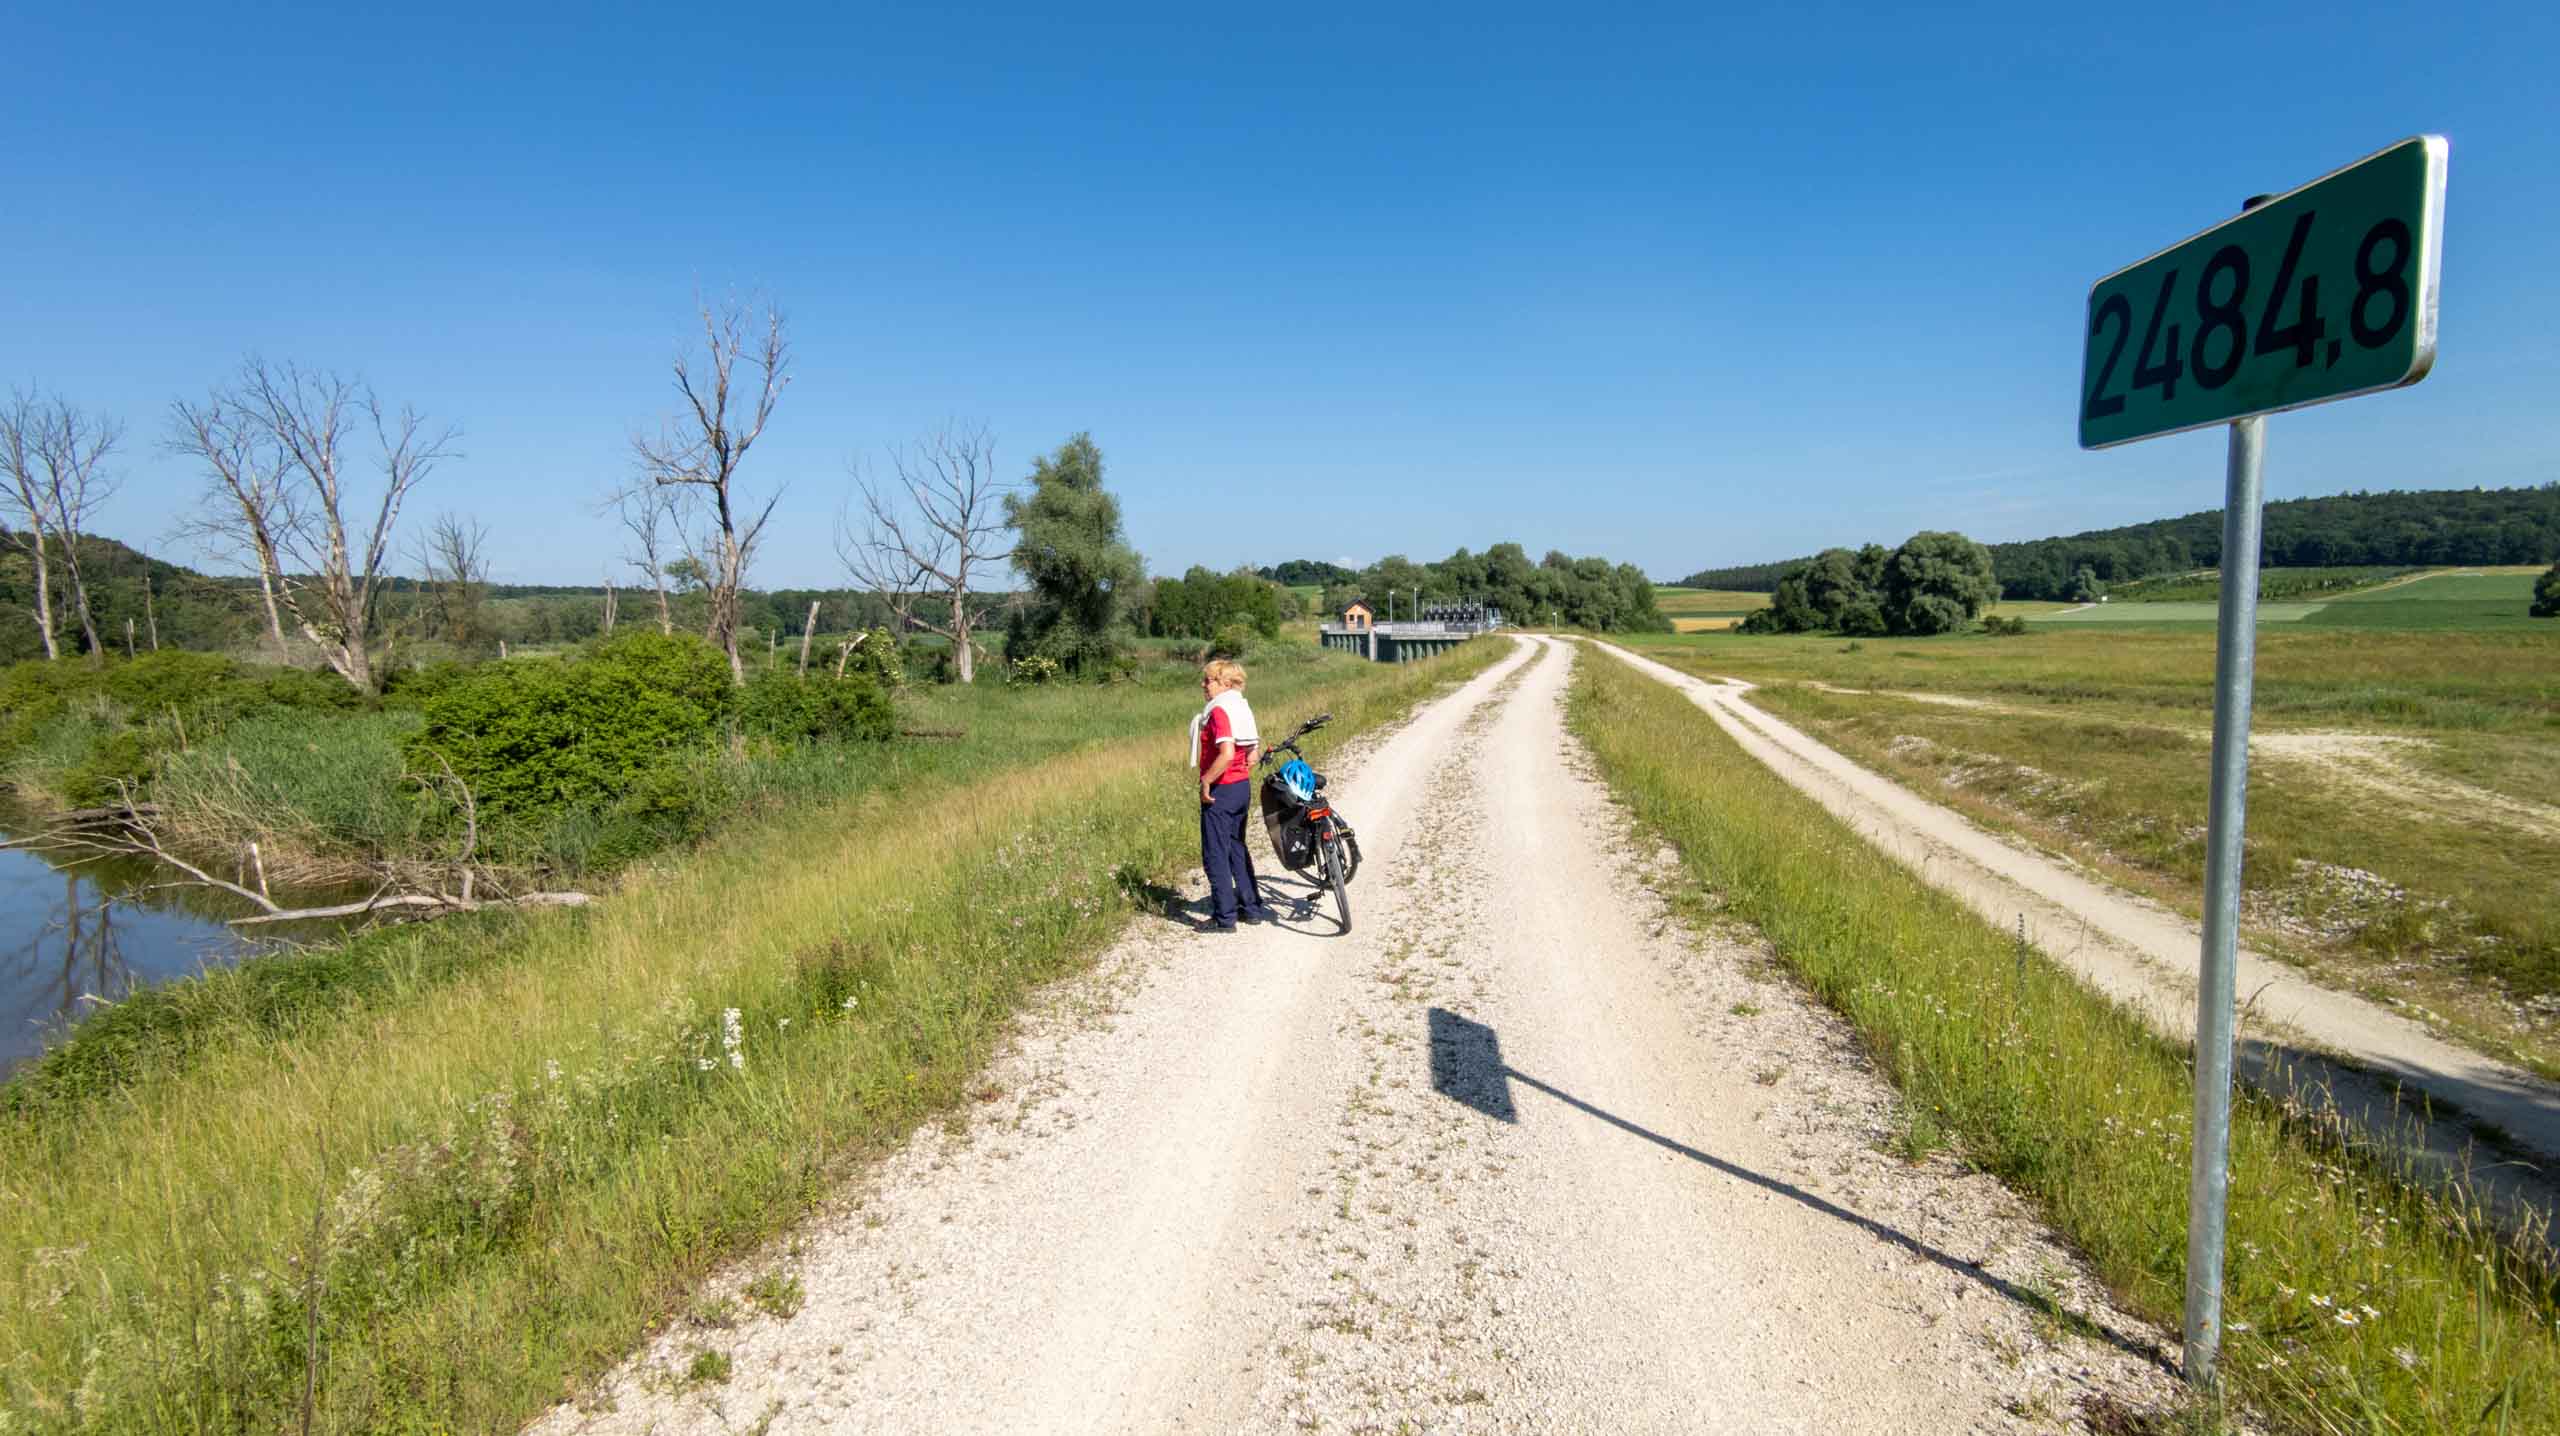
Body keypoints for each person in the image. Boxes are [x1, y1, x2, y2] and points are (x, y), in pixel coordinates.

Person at [1190, 658, 1273, 931]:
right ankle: (1252, 909)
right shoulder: (1241, 706)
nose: (1204, 685)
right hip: (1242, 787)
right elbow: (1252, 754)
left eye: (1208, 680)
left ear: (1224, 683)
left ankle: (1224, 918)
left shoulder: (1220, 711)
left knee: (1215, 853)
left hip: (1222, 789)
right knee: (1237, 847)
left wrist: (1206, 781)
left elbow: (1225, 754)